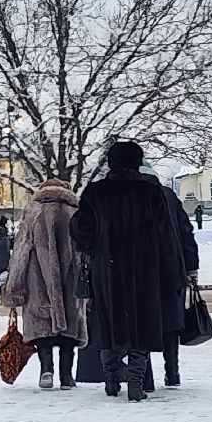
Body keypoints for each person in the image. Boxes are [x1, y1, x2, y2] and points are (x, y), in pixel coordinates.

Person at [72, 141, 182, 403]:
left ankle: (111, 380)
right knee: (141, 324)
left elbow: (80, 229)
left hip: (106, 269)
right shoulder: (151, 193)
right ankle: (135, 382)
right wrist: (172, 273)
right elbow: (166, 237)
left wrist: (94, 247)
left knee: (107, 321)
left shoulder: (95, 192)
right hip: (145, 270)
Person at [3, 179, 84, 390]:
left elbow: (21, 252)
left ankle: (46, 370)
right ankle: (67, 376)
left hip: (37, 281)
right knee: (70, 326)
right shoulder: (75, 213)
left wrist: (13, 287)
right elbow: (85, 251)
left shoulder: (33, 213)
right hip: (71, 279)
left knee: (42, 328)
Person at [142, 171, 198, 389]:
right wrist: (191, 266)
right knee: (171, 323)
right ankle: (172, 373)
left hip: (141, 271)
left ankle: (145, 377)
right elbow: (186, 232)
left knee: (142, 323)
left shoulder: (133, 196)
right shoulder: (168, 196)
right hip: (171, 270)